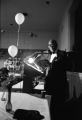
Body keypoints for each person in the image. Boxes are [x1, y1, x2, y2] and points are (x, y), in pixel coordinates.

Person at [44, 39, 71, 120]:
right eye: (49, 45)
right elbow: (48, 70)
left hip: (58, 85)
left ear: (56, 45)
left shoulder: (62, 53)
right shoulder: (47, 55)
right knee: (49, 105)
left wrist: (51, 65)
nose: (51, 46)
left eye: (52, 44)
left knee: (58, 107)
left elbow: (63, 66)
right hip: (49, 84)